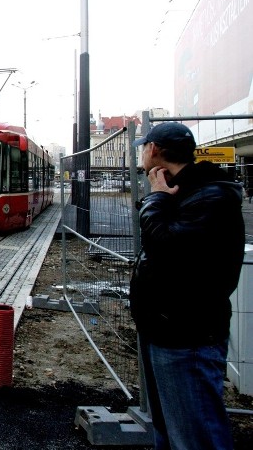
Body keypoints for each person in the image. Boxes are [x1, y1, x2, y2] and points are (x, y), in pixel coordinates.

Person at [131, 121, 244, 449]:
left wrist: (155, 201)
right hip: (166, 333)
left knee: (195, 438)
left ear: (154, 151)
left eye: (143, 148)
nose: (141, 154)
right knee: (172, 431)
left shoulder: (208, 196)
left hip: (186, 339)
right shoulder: (188, 192)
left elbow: (165, 247)